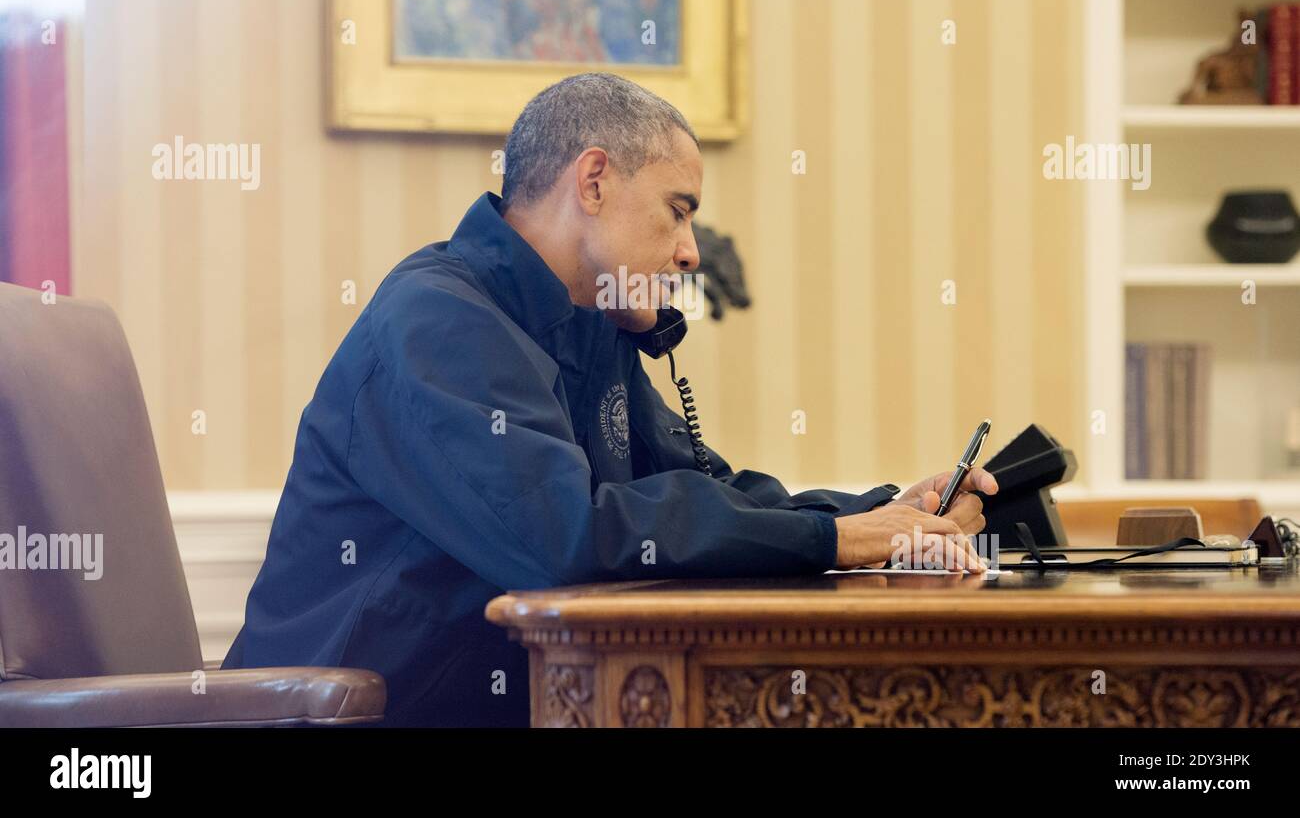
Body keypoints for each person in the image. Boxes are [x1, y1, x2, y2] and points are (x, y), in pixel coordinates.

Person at [223, 73, 995, 726]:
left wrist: (880, 513)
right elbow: (565, 541)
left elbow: (706, 493)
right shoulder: (437, 320)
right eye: (679, 209)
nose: (692, 250)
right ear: (593, 181)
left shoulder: (590, 322)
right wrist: (836, 542)